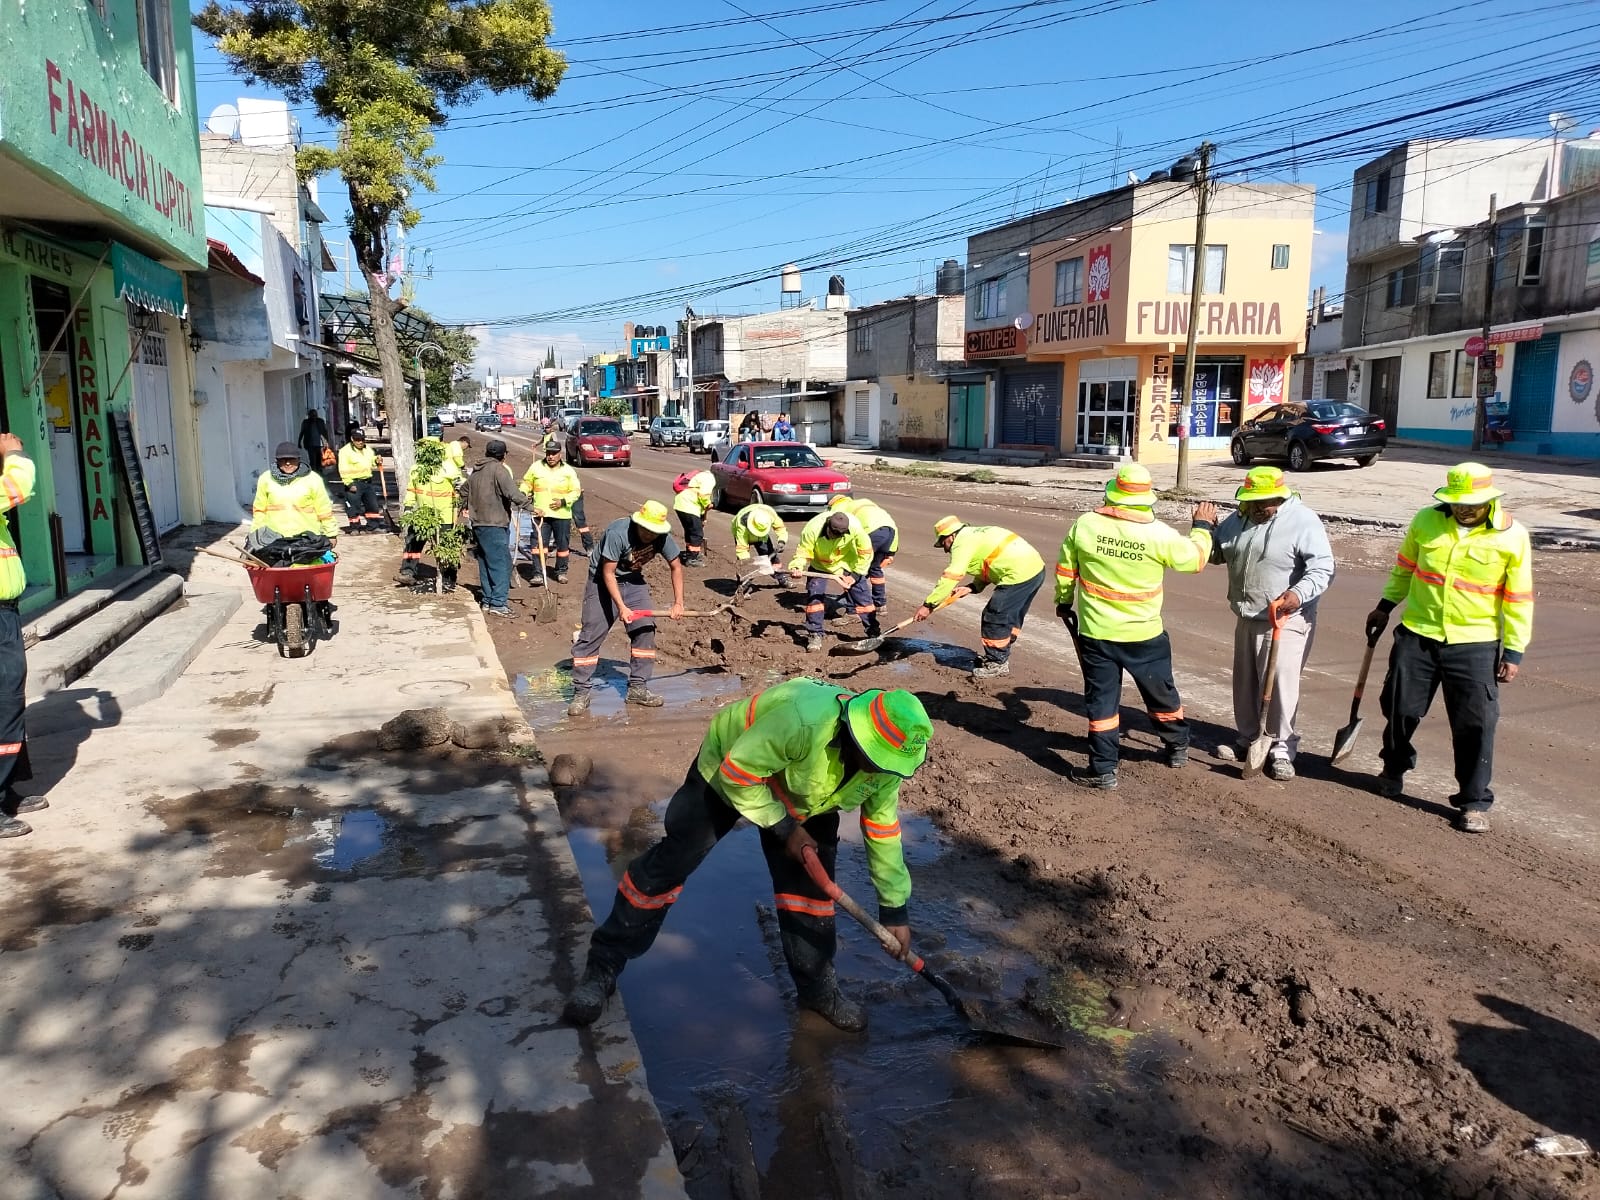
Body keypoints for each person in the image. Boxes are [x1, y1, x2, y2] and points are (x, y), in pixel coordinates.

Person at [562, 678, 933, 1032]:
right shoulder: (803, 721)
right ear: (855, 736)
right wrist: (784, 827)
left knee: (811, 897)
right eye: (874, 760)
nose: (878, 771)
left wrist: (894, 909)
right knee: (671, 864)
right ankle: (604, 964)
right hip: (731, 767)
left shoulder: (886, 768)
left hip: (807, 801)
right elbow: (738, 774)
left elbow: (882, 830)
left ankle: (818, 989)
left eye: (885, 766)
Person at [1366, 463, 1533, 834]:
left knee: (1475, 724)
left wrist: (1514, 650)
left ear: (1490, 501)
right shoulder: (1426, 521)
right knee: (1398, 708)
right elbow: (1405, 569)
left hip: (1474, 642)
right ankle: (1394, 766)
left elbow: (1519, 598)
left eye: (1471, 504)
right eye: (1458, 503)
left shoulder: (1511, 536)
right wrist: (1385, 605)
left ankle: (1473, 801)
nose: (1463, 509)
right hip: (1418, 633)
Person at [1054, 464, 1216, 789]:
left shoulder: (1085, 525)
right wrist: (1201, 527)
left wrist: (1063, 602)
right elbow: (1195, 560)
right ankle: (1176, 747)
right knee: (1160, 694)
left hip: (1097, 634)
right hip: (1144, 635)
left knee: (1101, 704)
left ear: (1112, 493)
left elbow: (1066, 570)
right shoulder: (1159, 535)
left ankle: (1102, 770)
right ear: (1147, 498)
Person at [1208, 467, 1335, 780]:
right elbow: (1216, 555)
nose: (1256, 509)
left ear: (1279, 498)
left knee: (1279, 682)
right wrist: (1205, 530)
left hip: (1287, 617)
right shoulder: (1239, 520)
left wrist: (1298, 593)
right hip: (1247, 614)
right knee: (1247, 680)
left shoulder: (1302, 521)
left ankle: (1281, 747)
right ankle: (1251, 737)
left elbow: (1323, 569)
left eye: (1262, 503)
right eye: (1251, 502)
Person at [568, 500, 686, 716]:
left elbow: (676, 566)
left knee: (645, 631)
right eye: (647, 530)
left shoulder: (662, 536)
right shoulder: (618, 533)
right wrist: (621, 607)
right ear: (638, 523)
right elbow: (608, 573)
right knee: (591, 635)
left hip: (633, 581)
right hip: (601, 582)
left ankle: (638, 688)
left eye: (655, 532)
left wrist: (678, 602)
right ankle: (581, 692)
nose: (651, 535)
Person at [915, 515, 1045, 680]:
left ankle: (997, 662)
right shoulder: (973, 534)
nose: (945, 549)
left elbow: (952, 575)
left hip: (1019, 574)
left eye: (943, 544)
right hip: (1035, 570)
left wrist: (928, 605)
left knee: (994, 616)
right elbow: (989, 562)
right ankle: (1000, 653)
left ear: (950, 536)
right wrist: (973, 587)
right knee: (1010, 615)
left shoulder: (962, 542)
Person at [0, 433, 41, 840]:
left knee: (9, 700)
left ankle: (6, 786)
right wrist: (12, 450)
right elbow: (19, 484)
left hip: (5, 614)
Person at [788, 508, 876, 652]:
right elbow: (803, 552)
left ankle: (874, 632)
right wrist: (797, 566)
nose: (837, 538)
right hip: (820, 565)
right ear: (828, 526)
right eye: (834, 534)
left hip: (847, 563)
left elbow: (866, 553)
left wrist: (854, 576)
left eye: (840, 536)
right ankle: (815, 633)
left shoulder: (855, 528)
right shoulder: (812, 529)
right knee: (815, 598)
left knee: (863, 599)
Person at [461, 439, 529, 617]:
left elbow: (463, 491)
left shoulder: (476, 471)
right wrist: (530, 506)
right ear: (503, 455)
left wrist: (466, 507)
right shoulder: (499, 470)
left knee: (485, 562)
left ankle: (487, 600)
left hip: (478, 524)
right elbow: (512, 493)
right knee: (501, 564)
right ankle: (498, 603)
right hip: (494, 524)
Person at [395, 437, 462, 590]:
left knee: (446, 547)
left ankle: (448, 578)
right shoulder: (416, 469)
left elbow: (460, 485)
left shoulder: (448, 467)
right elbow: (412, 490)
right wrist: (409, 507)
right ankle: (407, 572)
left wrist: (460, 487)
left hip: (444, 516)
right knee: (413, 543)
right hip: (422, 515)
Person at [520, 439, 582, 583]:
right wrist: (523, 493)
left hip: (562, 515)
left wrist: (563, 501)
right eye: (548, 453)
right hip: (540, 514)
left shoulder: (568, 471)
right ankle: (538, 573)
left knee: (562, 545)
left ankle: (561, 571)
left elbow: (575, 491)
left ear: (560, 454)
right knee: (538, 545)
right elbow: (526, 483)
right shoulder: (536, 467)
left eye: (554, 453)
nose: (551, 456)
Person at [251, 442, 339, 543]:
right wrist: (255, 535)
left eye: (292, 459)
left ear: (298, 460)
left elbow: (324, 510)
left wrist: (331, 534)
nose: (288, 463)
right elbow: (259, 511)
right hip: (274, 538)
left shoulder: (313, 479)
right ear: (277, 461)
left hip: (307, 538)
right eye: (283, 460)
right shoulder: (266, 479)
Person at [829, 494, 898, 615]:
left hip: (871, 532)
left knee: (851, 569)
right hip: (889, 531)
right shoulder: (864, 502)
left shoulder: (839, 509)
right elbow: (893, 526)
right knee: (874, 568)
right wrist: (891, 552)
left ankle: (852, 610)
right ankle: (880, 604)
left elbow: (839, 532)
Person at [731, 502, 790, 587]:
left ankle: (781, 578)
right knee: (742, 562)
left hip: (762, 537)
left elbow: (780, 528)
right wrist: (748, 567)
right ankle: (743, 584)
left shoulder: (770, 514)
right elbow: (742, 550)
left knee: (770, 553)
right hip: (744, 533)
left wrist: (782, 541)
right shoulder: (741, 526)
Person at [337, 428, 384, 533]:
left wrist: (376, 460)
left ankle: (373, 526)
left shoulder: (368, 450)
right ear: (352, 439)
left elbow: (372, 461)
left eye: (362, 439)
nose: (360, 442)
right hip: (354, 483)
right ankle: (355, 527)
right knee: (353, 507)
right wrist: (349, 484)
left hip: (367, 482)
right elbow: (343, 469)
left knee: (372, 505)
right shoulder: (345, 451)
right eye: (357, 439)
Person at [673, 468, 715, 566]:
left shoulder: (700, 475)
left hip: (681, 504)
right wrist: (708, 504)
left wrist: (703, 517)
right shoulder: (710, 478)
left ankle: (690, 553)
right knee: (697, 533)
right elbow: (704, 495)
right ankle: (692, 559)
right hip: (689, 506)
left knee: (690, 531)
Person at [297, 407, 334, 477]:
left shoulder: (320, 421)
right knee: (312, 460)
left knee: (319, 459)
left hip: (319, 444)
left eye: (315, 415)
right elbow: (302, 432)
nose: (313, 417)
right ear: (309, 416)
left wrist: (327, 441)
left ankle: (320, 472)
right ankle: (313, 473)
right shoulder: (306, 422)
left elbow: (324, 432)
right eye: (312, 415)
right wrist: (299, 442)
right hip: (310, 445)